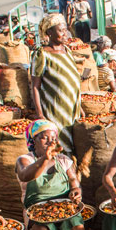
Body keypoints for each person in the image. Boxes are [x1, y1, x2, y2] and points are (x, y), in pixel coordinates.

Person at [16, 120, 85, 230]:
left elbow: (74, 180)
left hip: (63, 206)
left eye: (53, 138)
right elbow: (26, 175)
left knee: (78, 227)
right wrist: (44, 159)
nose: (50, 142)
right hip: (38, 209)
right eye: (44, 138)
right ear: (33, 141)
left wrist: (75, 190)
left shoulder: (63, 160)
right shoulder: (25, 160)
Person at [30, 14, 81, 153]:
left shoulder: (67, 51)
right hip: (55, 109)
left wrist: (80, 106)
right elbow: (35, 86)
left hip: (73, 108)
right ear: (49, 33)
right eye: (60, 30)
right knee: (60, 147)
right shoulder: (42, 54)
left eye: (65, 30)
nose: (64, 34)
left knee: (75, 144)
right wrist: (40, 114)